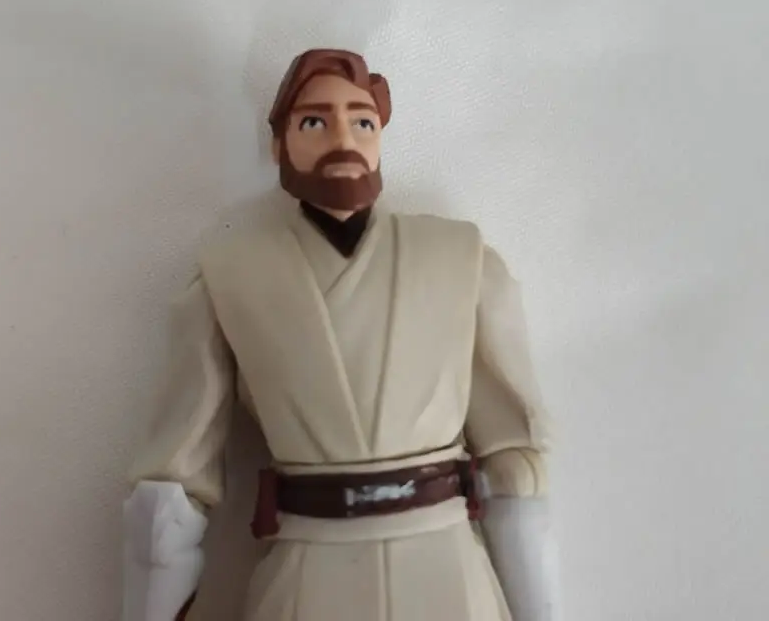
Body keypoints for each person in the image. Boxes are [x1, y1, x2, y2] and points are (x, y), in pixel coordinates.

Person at [122, 49, 560, 621]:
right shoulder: (230, 276)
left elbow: (516, 473)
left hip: (447, 571)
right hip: (310, 568)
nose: (343, 140)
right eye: (314, 122)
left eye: (362, 122)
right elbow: (168, 500)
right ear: (279, 144)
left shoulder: (461, 259)